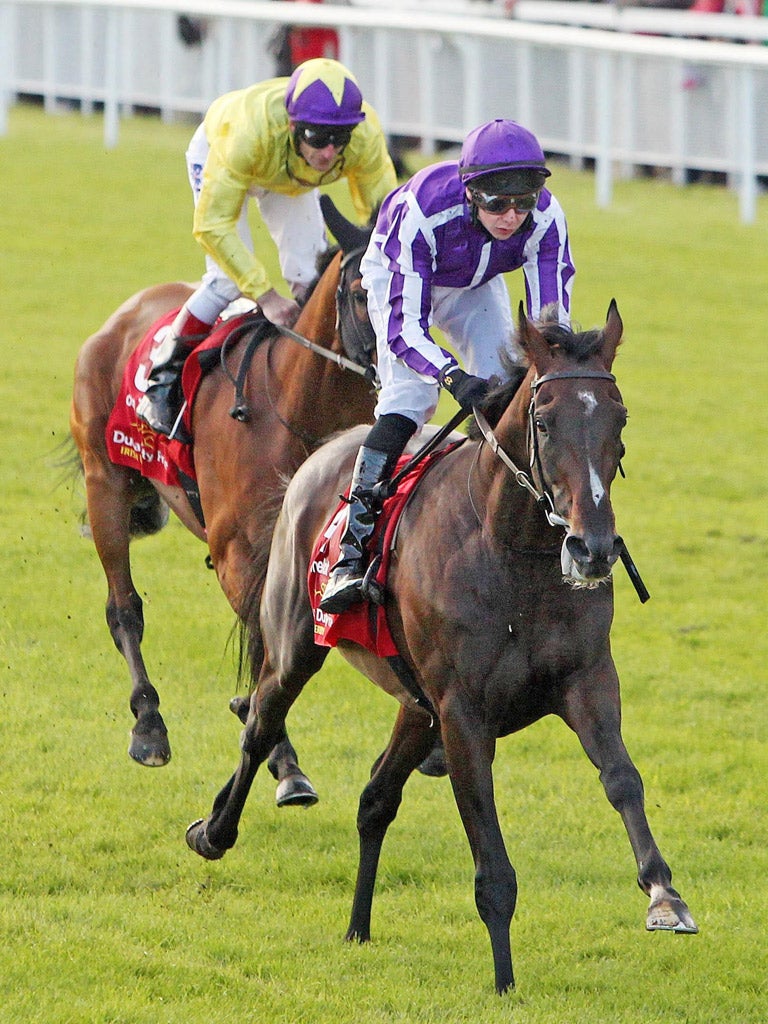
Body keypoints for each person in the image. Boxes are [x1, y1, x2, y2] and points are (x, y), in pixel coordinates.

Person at [319, 117, 575, 614]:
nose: (511, 216)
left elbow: (550, 324)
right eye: (496, 203)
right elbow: (402, 330)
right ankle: (349, 556)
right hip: (400, 275)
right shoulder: (422, 214)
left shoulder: (546, 218)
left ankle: (526, 525)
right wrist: (451, 376)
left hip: (476, 283)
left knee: (509, 388)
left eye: (522, 201)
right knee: (411, 398)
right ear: (470, 191)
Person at [137, 57, 397, 437]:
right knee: (226, 280)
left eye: (338, 139)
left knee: (311, 278)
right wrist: (267, 296)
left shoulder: (364, 136)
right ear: (293, 126)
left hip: (290, 177)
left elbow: (386, 216)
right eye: (317, 138)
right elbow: (213, 225)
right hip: (223, 154)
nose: (328, 152)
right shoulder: (247, 136)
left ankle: (321, 386)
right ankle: (162, 379)